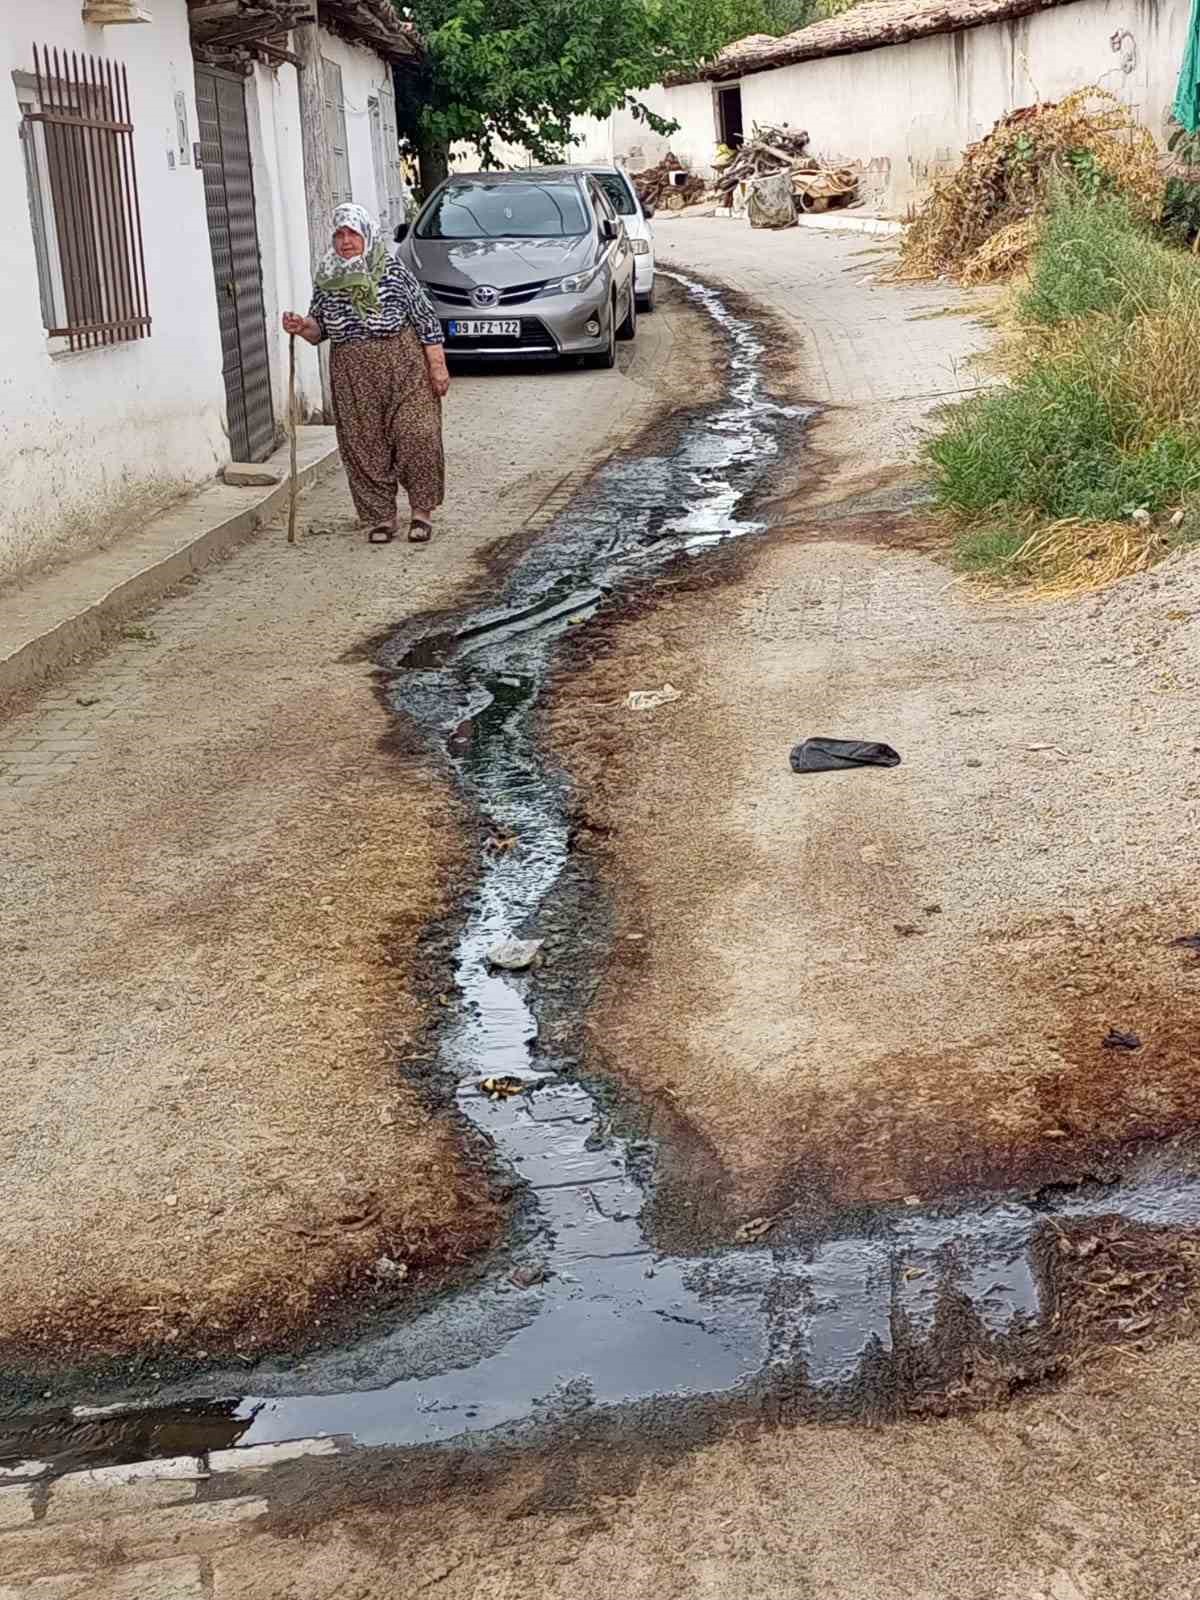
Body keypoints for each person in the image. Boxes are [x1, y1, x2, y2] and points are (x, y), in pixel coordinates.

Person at [283, 203, 450, 545]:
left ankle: (421, 512)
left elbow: (425, 317)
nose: (345, 241)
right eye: (339, 234)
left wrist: (437, 365)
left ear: (367, 235)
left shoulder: (391, 269)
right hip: (351, 371)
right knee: (363, 444)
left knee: (418, 433)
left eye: (352, 233)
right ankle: (381, 518)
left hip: (403, 364)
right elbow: (321, 330)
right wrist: (302, 326)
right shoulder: (329, 277)